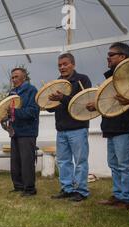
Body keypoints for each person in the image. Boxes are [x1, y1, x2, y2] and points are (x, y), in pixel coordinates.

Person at [89, 43, 129, 210]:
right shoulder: (110, 77)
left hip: (124, 126)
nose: (108, 57)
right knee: (114, 164)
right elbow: (109, 102)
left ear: (122, 57)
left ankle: (127, 199)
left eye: (111, 54)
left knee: (125, 165)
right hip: (110, 126)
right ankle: (118, 195)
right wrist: (96, 105)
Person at [48, 53, 91, 202]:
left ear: (73, 64)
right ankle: (67, 188)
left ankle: (81, 191)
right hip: (61, 129)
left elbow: (83, 103)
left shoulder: (82, 79)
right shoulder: (57, 82)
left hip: (78, 127)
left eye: (65, 64)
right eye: (60, 65)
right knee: (63, 161)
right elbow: (51, 108)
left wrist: (63, 98)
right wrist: (48, 102)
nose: (62, 67)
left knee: (80, 161)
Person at [5, 67, 40, 196]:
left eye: (16, 77)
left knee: (27, 161)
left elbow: (33, 111)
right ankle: (18, 186)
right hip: (15, 131)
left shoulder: (32, 90)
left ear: (24, 77)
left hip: (28, 131)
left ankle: (30, 188)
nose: (14, 79)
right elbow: (7, 110)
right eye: (12, 77)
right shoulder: (12, 92)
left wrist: (14, 112)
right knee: (16, 161)